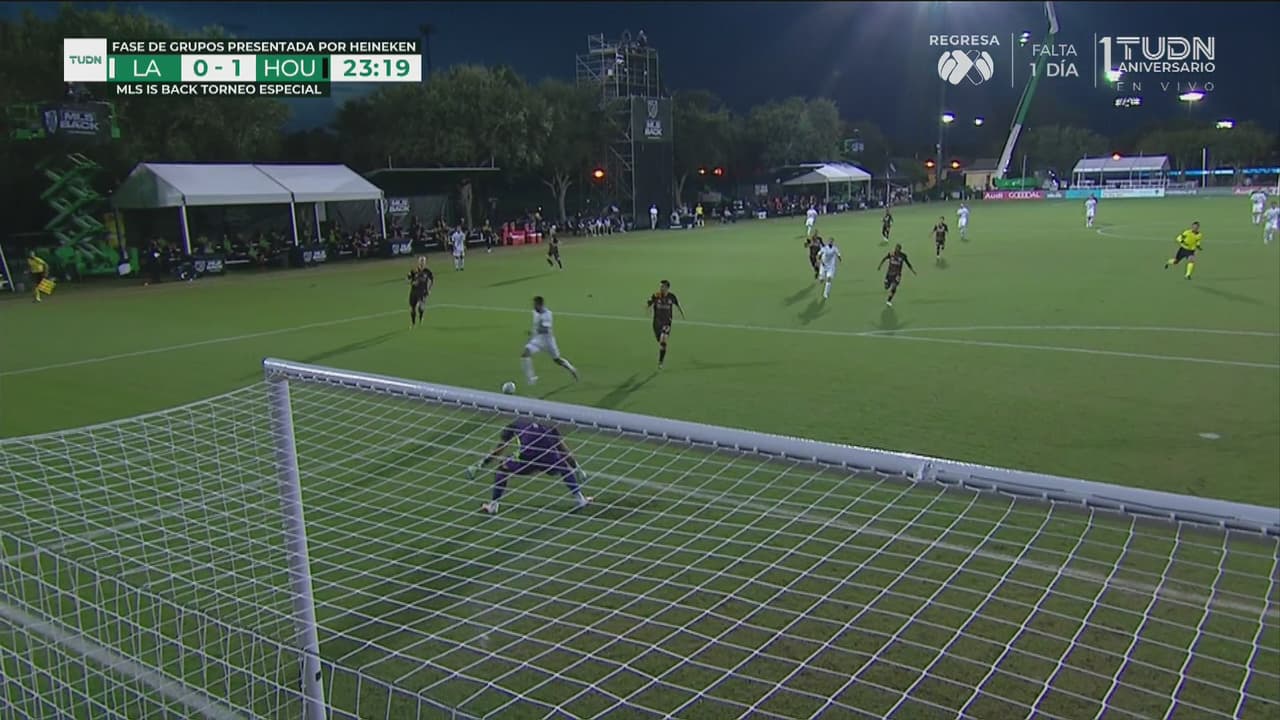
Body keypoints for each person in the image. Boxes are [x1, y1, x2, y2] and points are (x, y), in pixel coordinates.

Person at [472, 418, 591, 515]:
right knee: (563, 466)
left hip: (527, 459)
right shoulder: (548, 423)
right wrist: (578, 469)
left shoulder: (516, 423)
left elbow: (501, 447)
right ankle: (580, 499)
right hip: (548, 459)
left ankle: (493, 506)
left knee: (503, 467)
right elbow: (562, 449)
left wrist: (483, 462)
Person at [521, 296, 579, 385]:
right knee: (525, 354)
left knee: (557, 360)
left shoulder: (547, 315)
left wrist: (534, 331)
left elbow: (546, 329)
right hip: (538, 340)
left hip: (548, 341)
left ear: (540, 305)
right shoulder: (535, 312)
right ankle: (531, 379)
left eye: (535, 304)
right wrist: (533, 333)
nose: (533, 306)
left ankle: (572, 369)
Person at [646, 280, 684, 369]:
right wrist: (648, 307)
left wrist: (682, 314)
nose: (661, 288)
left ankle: (661, 361)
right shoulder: (656, 295)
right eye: (660, 286)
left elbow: (678, 305)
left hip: (667, 322)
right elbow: (649, 303)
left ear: (667, 287)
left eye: (662, 286)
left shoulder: (672, 297)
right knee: (660, 340)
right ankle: (662, 354)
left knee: (663, 341)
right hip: (656, 323)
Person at [407, 256, 434, 328]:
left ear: (425, 262)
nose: (422, 263)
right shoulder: (413, 271)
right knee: (412, 308)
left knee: (420, 307)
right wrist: (411, 282)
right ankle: (413, 323)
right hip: (413, 292)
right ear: (418, 262)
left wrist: (429, 289)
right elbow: (407, 279)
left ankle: (421, 318)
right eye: (421, 261)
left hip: (422, 292)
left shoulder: (427, 271)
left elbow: (432, 280)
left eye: (423, 261)